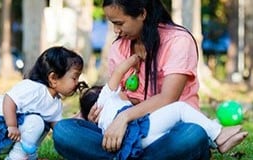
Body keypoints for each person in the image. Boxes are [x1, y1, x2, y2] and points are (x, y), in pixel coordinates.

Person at [53, 0, 246, 159]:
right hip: (127, 135)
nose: (116, 31)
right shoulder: (119, 47)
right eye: (112, 23)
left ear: (142, 14)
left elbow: (167, 98)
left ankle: (124, 156)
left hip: (168, 133)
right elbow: (113, 94)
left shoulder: (178, 41)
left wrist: (124, 117)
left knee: (191, 135)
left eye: (120, 23)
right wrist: (88, 115)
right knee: (65, 131)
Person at [77, 54, 247, 159]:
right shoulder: (105, 98)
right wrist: (134, 59)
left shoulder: (100, 123)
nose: (124, 91)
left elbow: (78, 121)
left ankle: (212, 140)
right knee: (180, 109)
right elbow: (118, 72)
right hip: (137, 129)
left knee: (169, 134)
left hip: (133, 146)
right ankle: (218, 135)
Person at [0, 46, 83, 159]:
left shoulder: (56, 103)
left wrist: (76, 121)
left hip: (16, 131)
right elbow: (9, 99)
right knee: (36, 122)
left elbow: (58, 128)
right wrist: (11, 125)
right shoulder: (34, 88)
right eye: (74, 78)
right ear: (53, 78)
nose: (77, 83)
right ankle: (15, 157)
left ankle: (28, 156)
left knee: (43, 125)